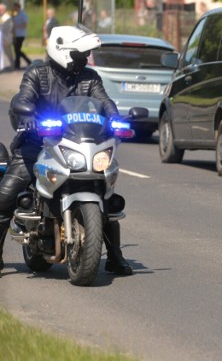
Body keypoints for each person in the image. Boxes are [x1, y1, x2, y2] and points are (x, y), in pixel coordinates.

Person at [0, 24, 133, 277]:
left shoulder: (90, 78)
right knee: (5, 197)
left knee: (106, 194)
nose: (84, 59)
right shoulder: (37, 74)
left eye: (85, 55)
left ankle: (115, 256)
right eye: (79, 54)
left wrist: (116, 121)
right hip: (38, 143)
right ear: (62, 51)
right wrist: (26, 113)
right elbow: (23, 98)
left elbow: (105, 102)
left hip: (79, 143)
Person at [12, 3, 31, 70]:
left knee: (17, 50)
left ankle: (19, 64)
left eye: (15, 7)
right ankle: (19, 63)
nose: (14, 9)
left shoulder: (23, 15)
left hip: (21, 35)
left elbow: (25, 24)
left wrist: (18, 26)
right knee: (17, 50)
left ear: (18, 7)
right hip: (16, 35)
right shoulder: (15, 15)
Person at [0, 4, 13, 71]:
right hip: (2, 38)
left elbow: (3, 26)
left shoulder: (7, 17)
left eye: (1, 9)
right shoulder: (2, 16)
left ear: (4, 10)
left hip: (6, 38)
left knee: (8, 52)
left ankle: (12, 65)